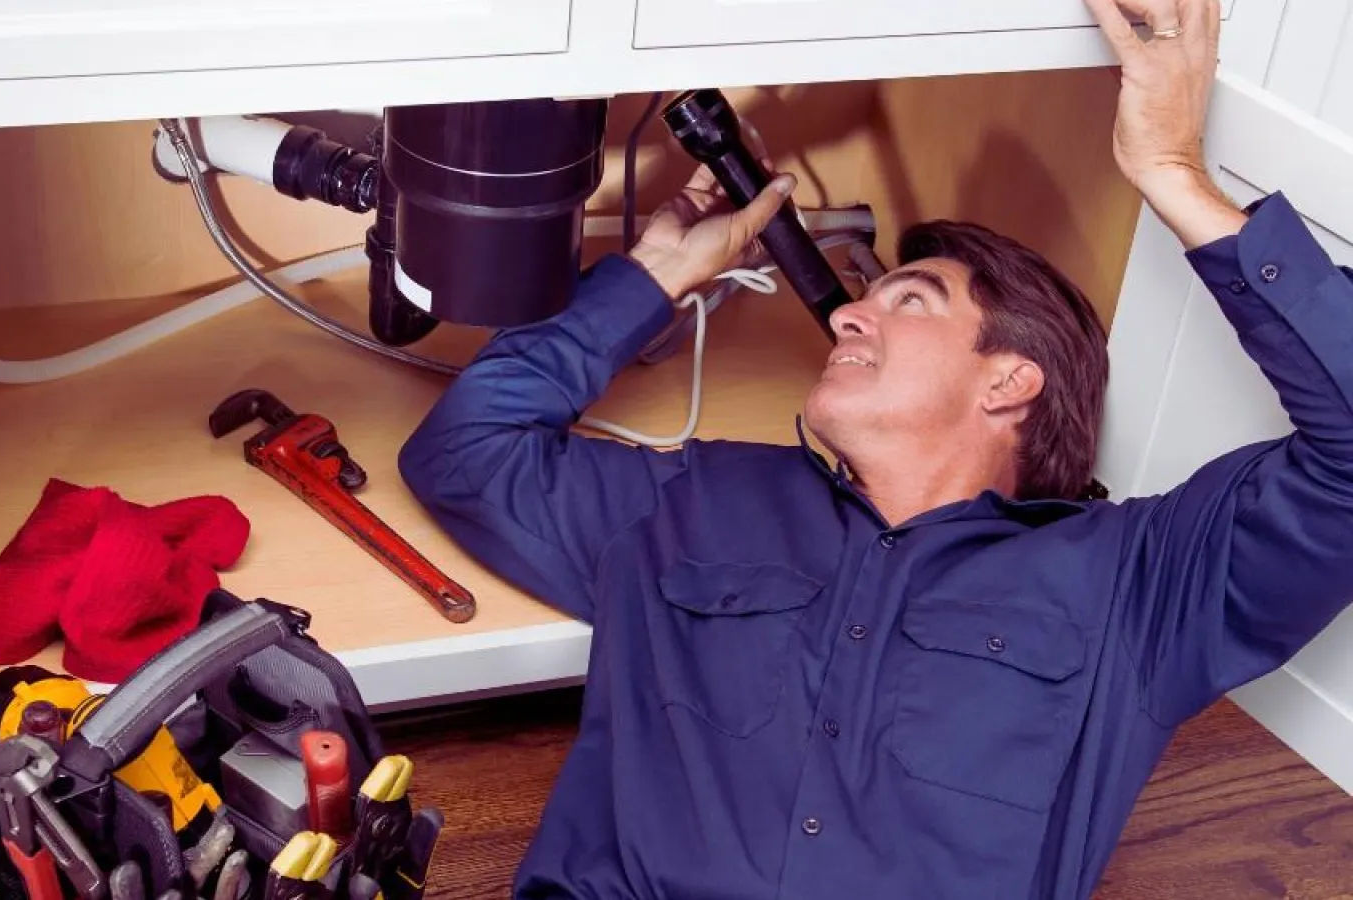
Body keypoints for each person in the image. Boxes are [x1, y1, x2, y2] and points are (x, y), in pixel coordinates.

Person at [398, 0, 1353, 895]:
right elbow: (465, 452)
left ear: (1011, 381)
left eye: (910, 299)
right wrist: (650, 277)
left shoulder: (1140, 585)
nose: (850, 310)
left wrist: (1173, 174)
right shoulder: (696, 500)